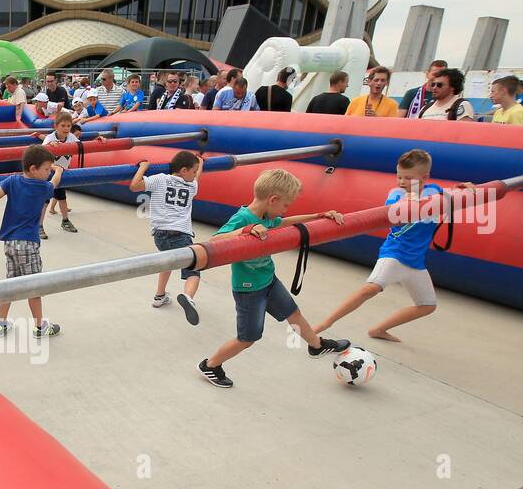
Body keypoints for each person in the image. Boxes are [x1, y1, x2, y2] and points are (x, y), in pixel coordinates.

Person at [197, 169, 349, 388]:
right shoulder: (243, 218)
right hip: (249, 290)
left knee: (293, 314)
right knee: (247, 339)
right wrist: (245, 231)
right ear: (273, 199)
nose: (286, 209)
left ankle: (316, 345)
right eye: (286, 204)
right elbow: (214, 240)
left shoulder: (266, 217)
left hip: (269, 281)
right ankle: (210, 365)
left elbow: (285, 223)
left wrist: (318, 216)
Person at [315, 149, 463, 342]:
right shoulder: (396, 196)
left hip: (416, 263)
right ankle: (325, 323)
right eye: (399, 176)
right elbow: (392, 214)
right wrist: (406, 205)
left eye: (408, 178)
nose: (401, 182)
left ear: (424, 177)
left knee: (427, 305)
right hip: (394, 254)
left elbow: (451, 194)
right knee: (370, 289)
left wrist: (463, 189)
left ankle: (379, 329)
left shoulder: (434, 191)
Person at [0, 144, 63, 339]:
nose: (48, 173)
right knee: (34, 286)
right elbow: (55, 183)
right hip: (28, 243)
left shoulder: (12, 180)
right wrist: (59, 171)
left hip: (9, 242)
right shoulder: (43, 186)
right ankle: (40, 327)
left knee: (10, 283)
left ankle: (1, 324)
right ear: (33, 169)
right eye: (46, 169)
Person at [130, 151, 204, 322]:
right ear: (184, 171)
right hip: (181, 234)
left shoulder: (160, 179)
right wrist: (201, 161)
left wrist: (143, 167)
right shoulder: (192, 186)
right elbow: (198, 176)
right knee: (194, 269)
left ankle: (159, 296)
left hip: (160, 234)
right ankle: (188, 296)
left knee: (167, 261)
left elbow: (134, 186)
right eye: (193, 171)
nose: (195, 175)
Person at [41, 110, 78, 232]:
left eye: (68, 126)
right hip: (48, 174)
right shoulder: (50, 138)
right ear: (55, 126)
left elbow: (84, 146)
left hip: (61, 174)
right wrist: (49, 146)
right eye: (63, 126)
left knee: (62, 198)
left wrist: (99, 140)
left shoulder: (72, 138)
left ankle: (65, 221)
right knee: (45, 200)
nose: (66, 128)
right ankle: (39, 225)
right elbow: (40, 154)